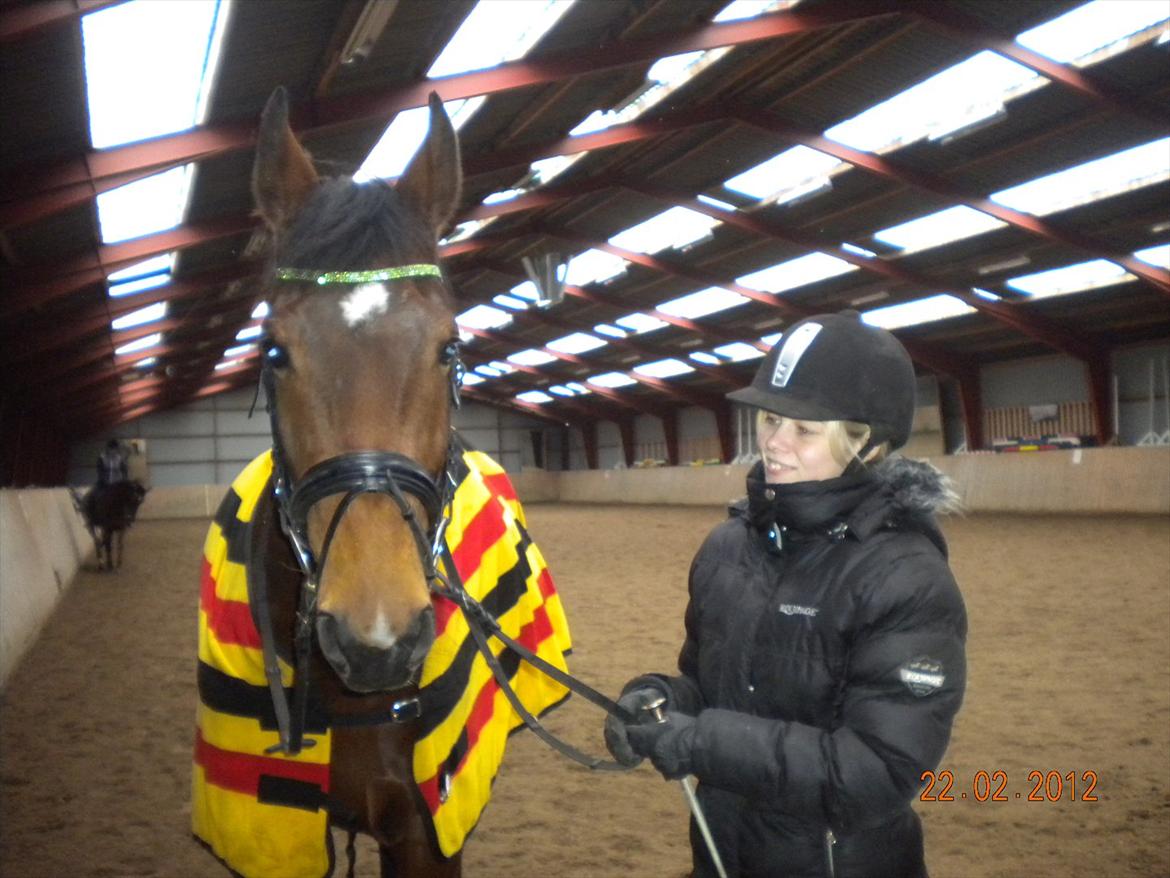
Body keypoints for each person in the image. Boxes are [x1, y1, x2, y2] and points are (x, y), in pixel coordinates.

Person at [604, 310, 967, 878]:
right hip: (724, 852)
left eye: (804, 429)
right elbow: (711, 683)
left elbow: (874, 773)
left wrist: (701, 742)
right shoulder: (728, 548)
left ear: (865, 446)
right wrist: (661, 699)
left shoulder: (906, 577)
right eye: (770, 418)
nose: (774, 443)